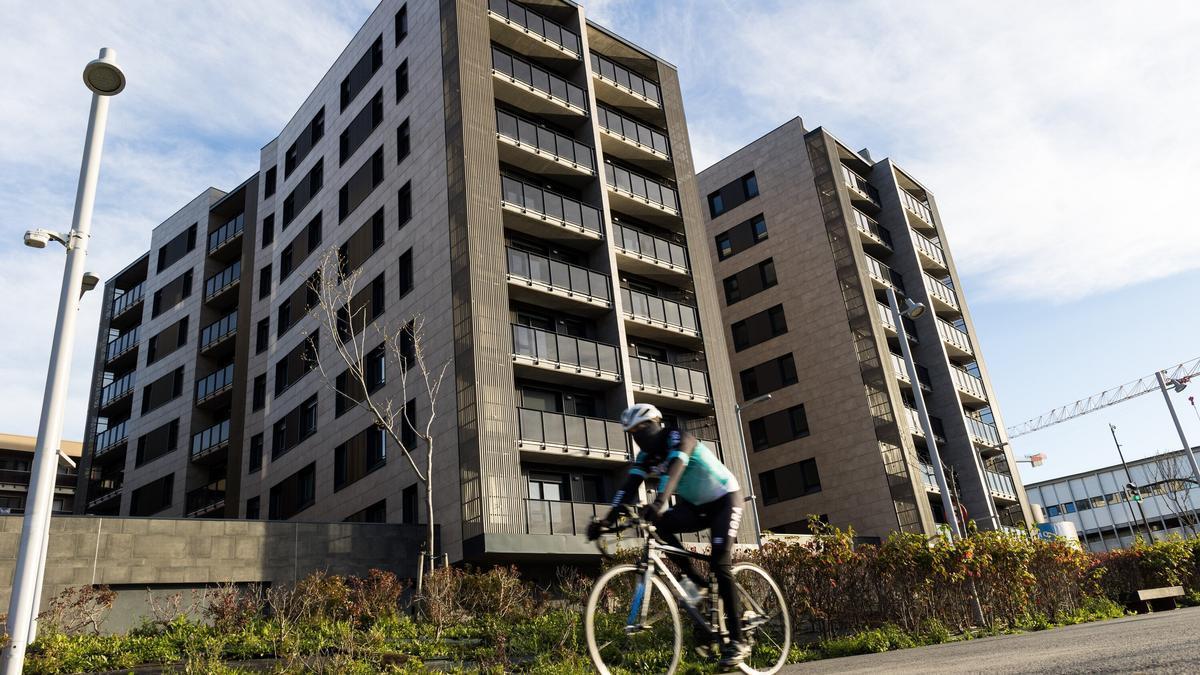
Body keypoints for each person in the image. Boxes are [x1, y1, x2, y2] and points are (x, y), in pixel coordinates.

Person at [587, 403, 749, 669]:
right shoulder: (645, 458)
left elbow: (676, 467)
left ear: (656, 424)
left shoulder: (678, 438)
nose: (638, 436)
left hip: (724, 499)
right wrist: (605, 521)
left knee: (721, 563)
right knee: (660, 528)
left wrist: (660, 500)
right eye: (632, 432)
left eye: (642, 429)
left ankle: (738, 640)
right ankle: (695, 583)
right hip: (694, 506)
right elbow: (627, 489)